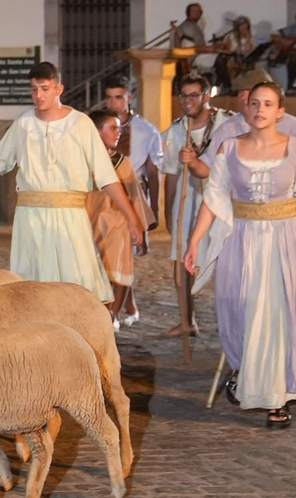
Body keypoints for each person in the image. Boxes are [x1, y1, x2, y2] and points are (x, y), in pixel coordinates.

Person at [182, 80, 296, 428]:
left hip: (288, 240)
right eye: (254, 103)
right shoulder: (228, 148)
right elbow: (214, 199)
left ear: (280, 112)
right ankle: (245, 374)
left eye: (268, 104)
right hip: (242, 239)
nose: (260, 109)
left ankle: (278, 397)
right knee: (242, 307)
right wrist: (194, 242)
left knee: (283, 314)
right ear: (246, 108)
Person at [0, 62, 140, 303]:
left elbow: (106, 176)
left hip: (69, 218)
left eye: (44, 88)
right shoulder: (24, 124)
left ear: (58, 89)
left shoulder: (80, 123)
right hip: (30, 218)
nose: (38, 95)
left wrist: (131, 217)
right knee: (31, 290)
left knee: (72, 289)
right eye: (33, 89)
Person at [159, 74, 216, 338]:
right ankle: (186, 320)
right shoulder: (175, 131)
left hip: (217, 200)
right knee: (183, 260)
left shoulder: (224, 123)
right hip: (187, 199)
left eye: (194, 95)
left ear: (206, 96)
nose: (188, 100)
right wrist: (169, 211)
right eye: (183, 95)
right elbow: (170, 172)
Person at [88, 109, 148, 325]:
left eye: (119, 128)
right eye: (112, 128)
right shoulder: (82, 161)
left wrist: (139, 227)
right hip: (89, 225)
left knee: (120, 271)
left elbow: (135, 198)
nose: (118, 133)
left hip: (118, 225)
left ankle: (110, 316)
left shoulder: (123, 163)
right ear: (95, 131)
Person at [101, 79, 163, 222]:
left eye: (118, 97)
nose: (112, 102)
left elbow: (153, 172)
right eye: (109, 97)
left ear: (129, 98)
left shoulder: (147, 130)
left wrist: (154, 208)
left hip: (135, 194)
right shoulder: (96, 127)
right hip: (104, 195)